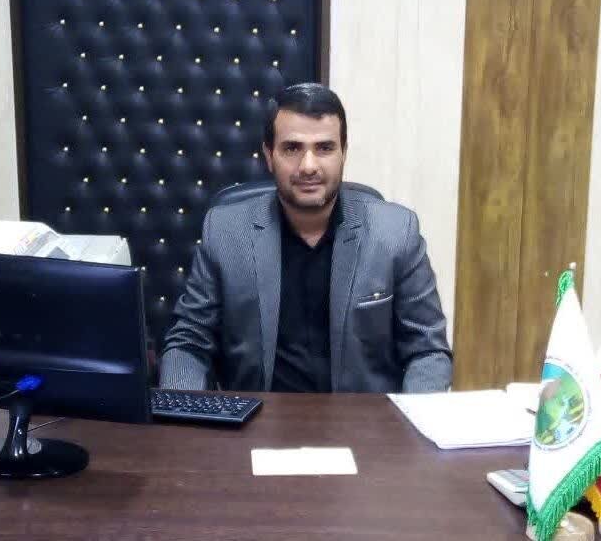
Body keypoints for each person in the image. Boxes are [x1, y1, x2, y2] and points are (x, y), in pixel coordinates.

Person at [159, 82, 451, 393]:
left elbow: (427, 351)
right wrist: (181, 409)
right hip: (257, 416)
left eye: (324, 148)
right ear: (269, 155)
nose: (308, 166)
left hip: (364, 419)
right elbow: (189, 341)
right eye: (292, 148)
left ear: (343, 153)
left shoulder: (396, 232)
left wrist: (409, 419)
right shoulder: (226, 231)